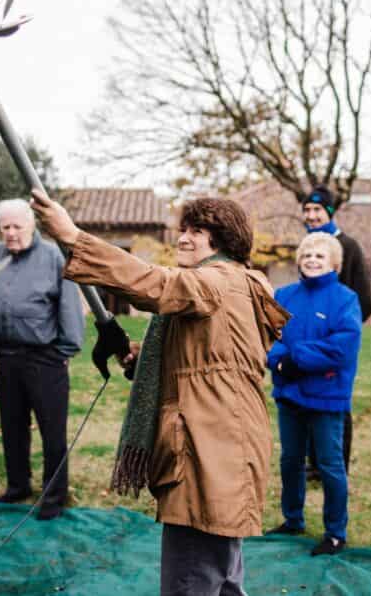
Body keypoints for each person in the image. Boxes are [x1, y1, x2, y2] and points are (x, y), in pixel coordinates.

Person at [30, 189, 289, 596]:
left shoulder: (216, 281)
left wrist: (72, 236)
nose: (184, 238)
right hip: (226, 445)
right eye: (183, 229)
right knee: (222, 575)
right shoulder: (240, 283)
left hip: (207, 449)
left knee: (192, 579)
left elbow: (156, 285)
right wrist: (146, 358)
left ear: (222, 241)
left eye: (198, 232)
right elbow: (206, 358)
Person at [0, 199, 85, 520]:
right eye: (5, 227)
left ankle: (54, 494)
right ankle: (18, 485)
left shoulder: (53, 256)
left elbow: (70, 311)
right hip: (4, 358)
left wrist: (64, 352)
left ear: (31, 224)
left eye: (16, 226)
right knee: (12, 427)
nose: (11, 233)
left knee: (52, 431)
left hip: (45, 358)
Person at [266, 232, 362, 556]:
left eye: (319, 256)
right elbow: (270, 337)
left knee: (329, 463)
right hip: (289, 393)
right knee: (290, 459)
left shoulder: (345, 299)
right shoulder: (284, 295)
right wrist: (279, 362)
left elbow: (342, 347)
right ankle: (293, 519)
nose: (311, 260)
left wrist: (297, 358)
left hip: (327, 396)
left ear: (333, 263)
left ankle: (336, 532)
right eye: (307, 255)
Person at [301, 184, 371, 479]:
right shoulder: (308, 247)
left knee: (336, 401)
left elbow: (365, 300)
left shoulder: (349, 246)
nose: (312, 215)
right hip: (309, 338)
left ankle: (337, 464)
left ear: (329, 212)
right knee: (307, 397)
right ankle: (315, 463)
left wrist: (344, 329)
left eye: (317, 209)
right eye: (307, 210)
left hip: (336, 338)